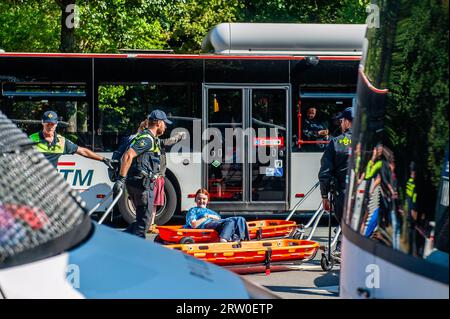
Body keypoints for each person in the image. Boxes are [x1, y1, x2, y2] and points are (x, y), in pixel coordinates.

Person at [113, 109, 171, 238]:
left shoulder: (148, 137)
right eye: (164, 123)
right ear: (158, 123)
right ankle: (137, 250)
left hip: (139, 183)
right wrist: (121, 179)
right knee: (144, 221)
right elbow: (128, 155)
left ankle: (121, 240)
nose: (166, 126)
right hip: (142, 185)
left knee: (141, 220)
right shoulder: (147, 139)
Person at [29, 110, 113, 169]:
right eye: (47, 124)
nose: (50, 126)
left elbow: (82, 151)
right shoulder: (31, 139)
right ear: (42, 123)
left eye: (52, 124)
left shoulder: (61, 141)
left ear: (56, 124)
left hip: (51, 183)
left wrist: (103, 159)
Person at [318, 106, 353, 223]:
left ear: (347, 122)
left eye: (342, 121)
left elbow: (325, 172)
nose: (341, 124)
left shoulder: (335, 142)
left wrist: (324, 197)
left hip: (343, 193)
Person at [184, 188, 250, 242]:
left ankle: (241, 239)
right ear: (195, 200)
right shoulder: (193, 210)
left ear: (207, 200)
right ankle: (223, 239)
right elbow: (194, 225)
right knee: (230, 221)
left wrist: (213, 216)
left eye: (204, 199)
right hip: (206, 225)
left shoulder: (211, 211)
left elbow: (219, 219)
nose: (201, 201)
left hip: (217, 224)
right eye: (199, 199)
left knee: (240, 219)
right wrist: (207, 217)